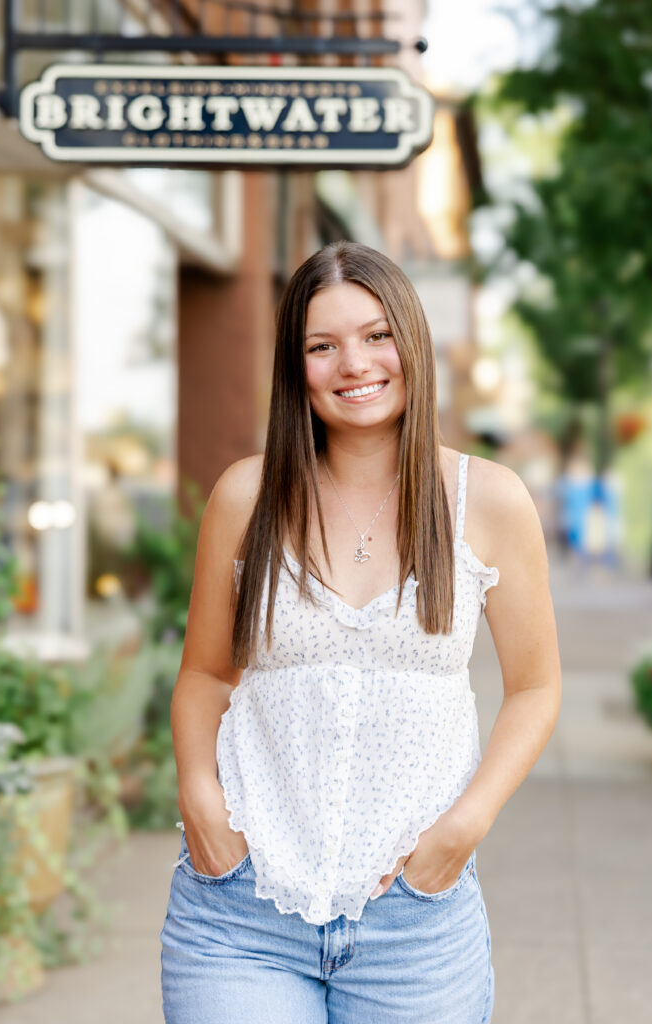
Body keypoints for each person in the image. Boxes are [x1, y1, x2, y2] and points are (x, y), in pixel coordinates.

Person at [160, 241, 561, 1023]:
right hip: (242, 911)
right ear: (295, 366)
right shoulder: (246, 496)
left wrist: (460, 830)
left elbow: (537, 687)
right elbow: (205, 674)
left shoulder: (490, 501)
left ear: (411, 341)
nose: (354, 363)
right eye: (322, 345)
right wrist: (201, 799)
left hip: (415, 922)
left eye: (376, 335)